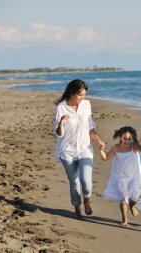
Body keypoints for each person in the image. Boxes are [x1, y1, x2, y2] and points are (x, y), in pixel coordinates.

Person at [54, 79, 104, 219]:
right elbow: (58, 133)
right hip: (67, 151)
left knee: (86, 181)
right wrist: (61, 123)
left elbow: (90, 126)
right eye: (80, 95)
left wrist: (98, 140)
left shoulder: (86, 105)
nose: (82, 98)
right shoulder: (61, 108)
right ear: (71, 93)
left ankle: (86, 199)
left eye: (84, 95)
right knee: (74, 182)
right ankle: (77, 207)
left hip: (84, 149)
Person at [99, 126, 141, 227]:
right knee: (123, 197)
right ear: (120, 138)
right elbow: (105, 157)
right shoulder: (116, 148)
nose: (127, 141)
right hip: (120, 176)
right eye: (125, 138)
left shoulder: (134, 146)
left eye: (129, 139)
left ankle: (133, 205)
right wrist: (101, 150)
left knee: (134, 196)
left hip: (134, 176)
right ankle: (125, 220)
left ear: (132, 139)